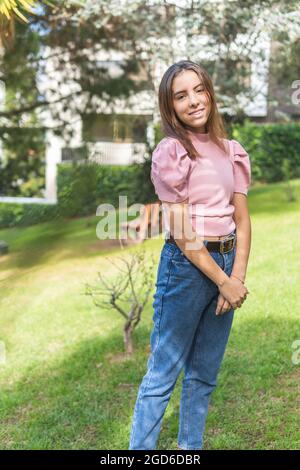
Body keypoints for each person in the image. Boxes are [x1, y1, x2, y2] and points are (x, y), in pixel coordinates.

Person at [128, 60, 251, 450]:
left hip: (228, 267)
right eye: (181, 95)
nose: (194, 101)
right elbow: (181, 232)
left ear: (210, 92)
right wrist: (223, 280)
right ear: (170, 106)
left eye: (199, 90)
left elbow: (243, 222)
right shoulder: (172, 151)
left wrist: (236, 280)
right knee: (163, 374)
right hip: (186, 269)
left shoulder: (230, 151)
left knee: (203, 376)